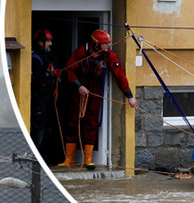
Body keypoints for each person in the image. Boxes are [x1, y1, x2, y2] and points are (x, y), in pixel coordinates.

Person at [59, 29, 138, 170]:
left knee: (92, 122)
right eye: (105, 44)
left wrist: (130, 96)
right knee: (72, 121)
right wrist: (78, 86)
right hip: (79, 90)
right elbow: (69, 69)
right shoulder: (82, 51)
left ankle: (88, 159)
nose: (108, 46)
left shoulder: (109, 55)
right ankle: (69, 158)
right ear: (96, 44)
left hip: (95, 91)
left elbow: (119, 75)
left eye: (108, 43)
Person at [28, 29, 58, 155]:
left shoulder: (48, 56)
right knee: (38, 131)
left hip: (47, 99)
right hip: (38, 100)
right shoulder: (35, 58)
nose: (51, 43)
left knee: (49, 130)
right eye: (48, 41)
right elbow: (37, 79)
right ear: (40, 42)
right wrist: (51, 75)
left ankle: (46, 159)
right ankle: (35, 158)